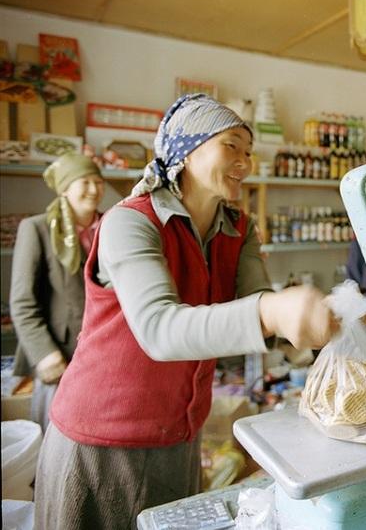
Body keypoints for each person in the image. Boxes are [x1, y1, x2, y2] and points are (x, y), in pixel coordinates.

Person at [34, 94, 338, 529]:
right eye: (231, 146)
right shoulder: (129, 223)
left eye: (249, 152)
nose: (245, 162)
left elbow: (259, 308)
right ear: (186, 149)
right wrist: (274, 311)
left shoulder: (238, 228)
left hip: (178, 441)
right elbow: (159, 328)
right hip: (99, 443)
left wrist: (312, 331)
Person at [10, 152, 105, 432]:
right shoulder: (37, 229)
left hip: (104, 352)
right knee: (55, 434)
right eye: (84, 182)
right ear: (64, 188)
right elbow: (22, 301)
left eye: (98, 182)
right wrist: (44, 353)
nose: (94, 189)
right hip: (61, 355)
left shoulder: (113, 225)